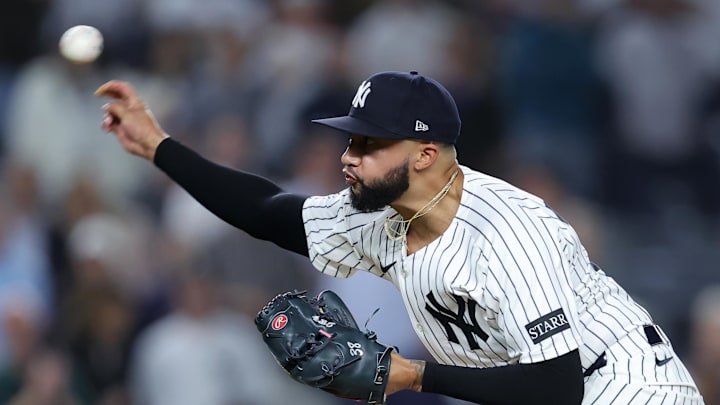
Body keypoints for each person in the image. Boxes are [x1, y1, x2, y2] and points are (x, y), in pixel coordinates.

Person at [95, 70, 704, 404]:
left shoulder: (509, 233)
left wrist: (409, 375)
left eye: (368, 143)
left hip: (627, 389)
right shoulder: (380, 214)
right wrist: (158, 146)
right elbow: (268, 211)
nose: (348, 156)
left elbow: (556, 382)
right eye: (349, 138)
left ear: (426, 154)